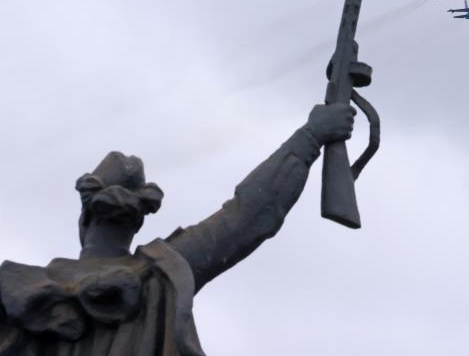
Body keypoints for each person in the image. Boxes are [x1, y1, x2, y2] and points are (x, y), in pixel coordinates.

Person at [0, 103, 355, 356]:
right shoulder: (159, 274)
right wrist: (310, 137)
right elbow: (249, 215)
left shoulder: (18, 296)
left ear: (84, 219)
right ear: (138, 221)